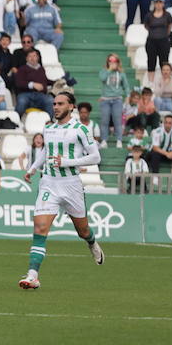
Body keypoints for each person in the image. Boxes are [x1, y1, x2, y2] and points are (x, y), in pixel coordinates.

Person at [20, 92, 105, 290]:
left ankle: (92, 243)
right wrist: (32, 169)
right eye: (54, 103)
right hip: (49, 183)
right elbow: (45, 151)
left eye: (60, 103)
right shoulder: (48, 128)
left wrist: (67, 162)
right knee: (40, 228)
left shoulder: (80, 129)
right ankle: (33, 275)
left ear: (71, 107)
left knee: (82, 230)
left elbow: (95, 157)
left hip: (71, 185)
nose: (56, 106)